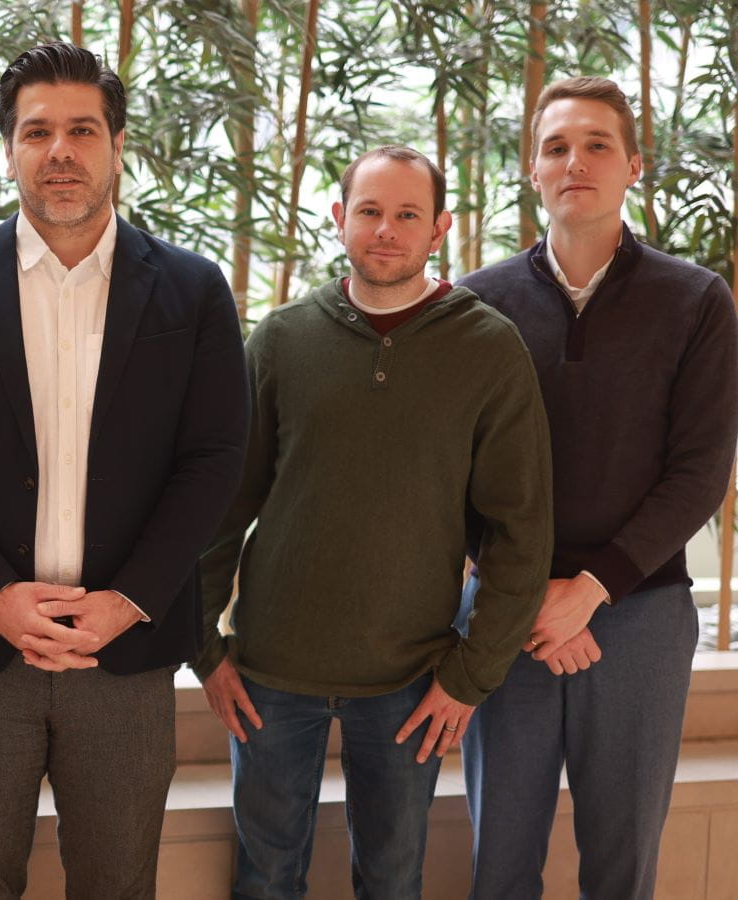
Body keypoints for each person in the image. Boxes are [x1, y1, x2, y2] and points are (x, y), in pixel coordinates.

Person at [0, 41, 250, 898]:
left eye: (83, 130)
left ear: (118, 146)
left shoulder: (193, 291)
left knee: (119, 882)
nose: (60, 151)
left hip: (124, 648)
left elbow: (214, 460)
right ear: (9, 148)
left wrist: (129, 601)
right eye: (36, 131)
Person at [191, 145, 554, 898]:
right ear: (339, 219)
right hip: (268, 674)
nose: (385, 230)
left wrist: (469, 676)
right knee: (264, 877)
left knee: (391, 880)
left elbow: (521, 529)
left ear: (439, 229)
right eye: (369, 211)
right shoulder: (284, 338)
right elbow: (220, 506)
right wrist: (206, 648)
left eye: (406, 215)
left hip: (410, 679)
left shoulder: (487, 348)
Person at [457, 76, 738, 899]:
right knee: (500, 864)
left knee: (621, 869)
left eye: (596, 145)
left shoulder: (696, 301)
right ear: (531, 172)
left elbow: (700, 473)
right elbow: (452, 474)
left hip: (641, 614)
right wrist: (531, 594)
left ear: (634, 166)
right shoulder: (477, 304)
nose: (574, 160)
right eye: (555, 147)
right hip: (505, 615)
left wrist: (589, 591)